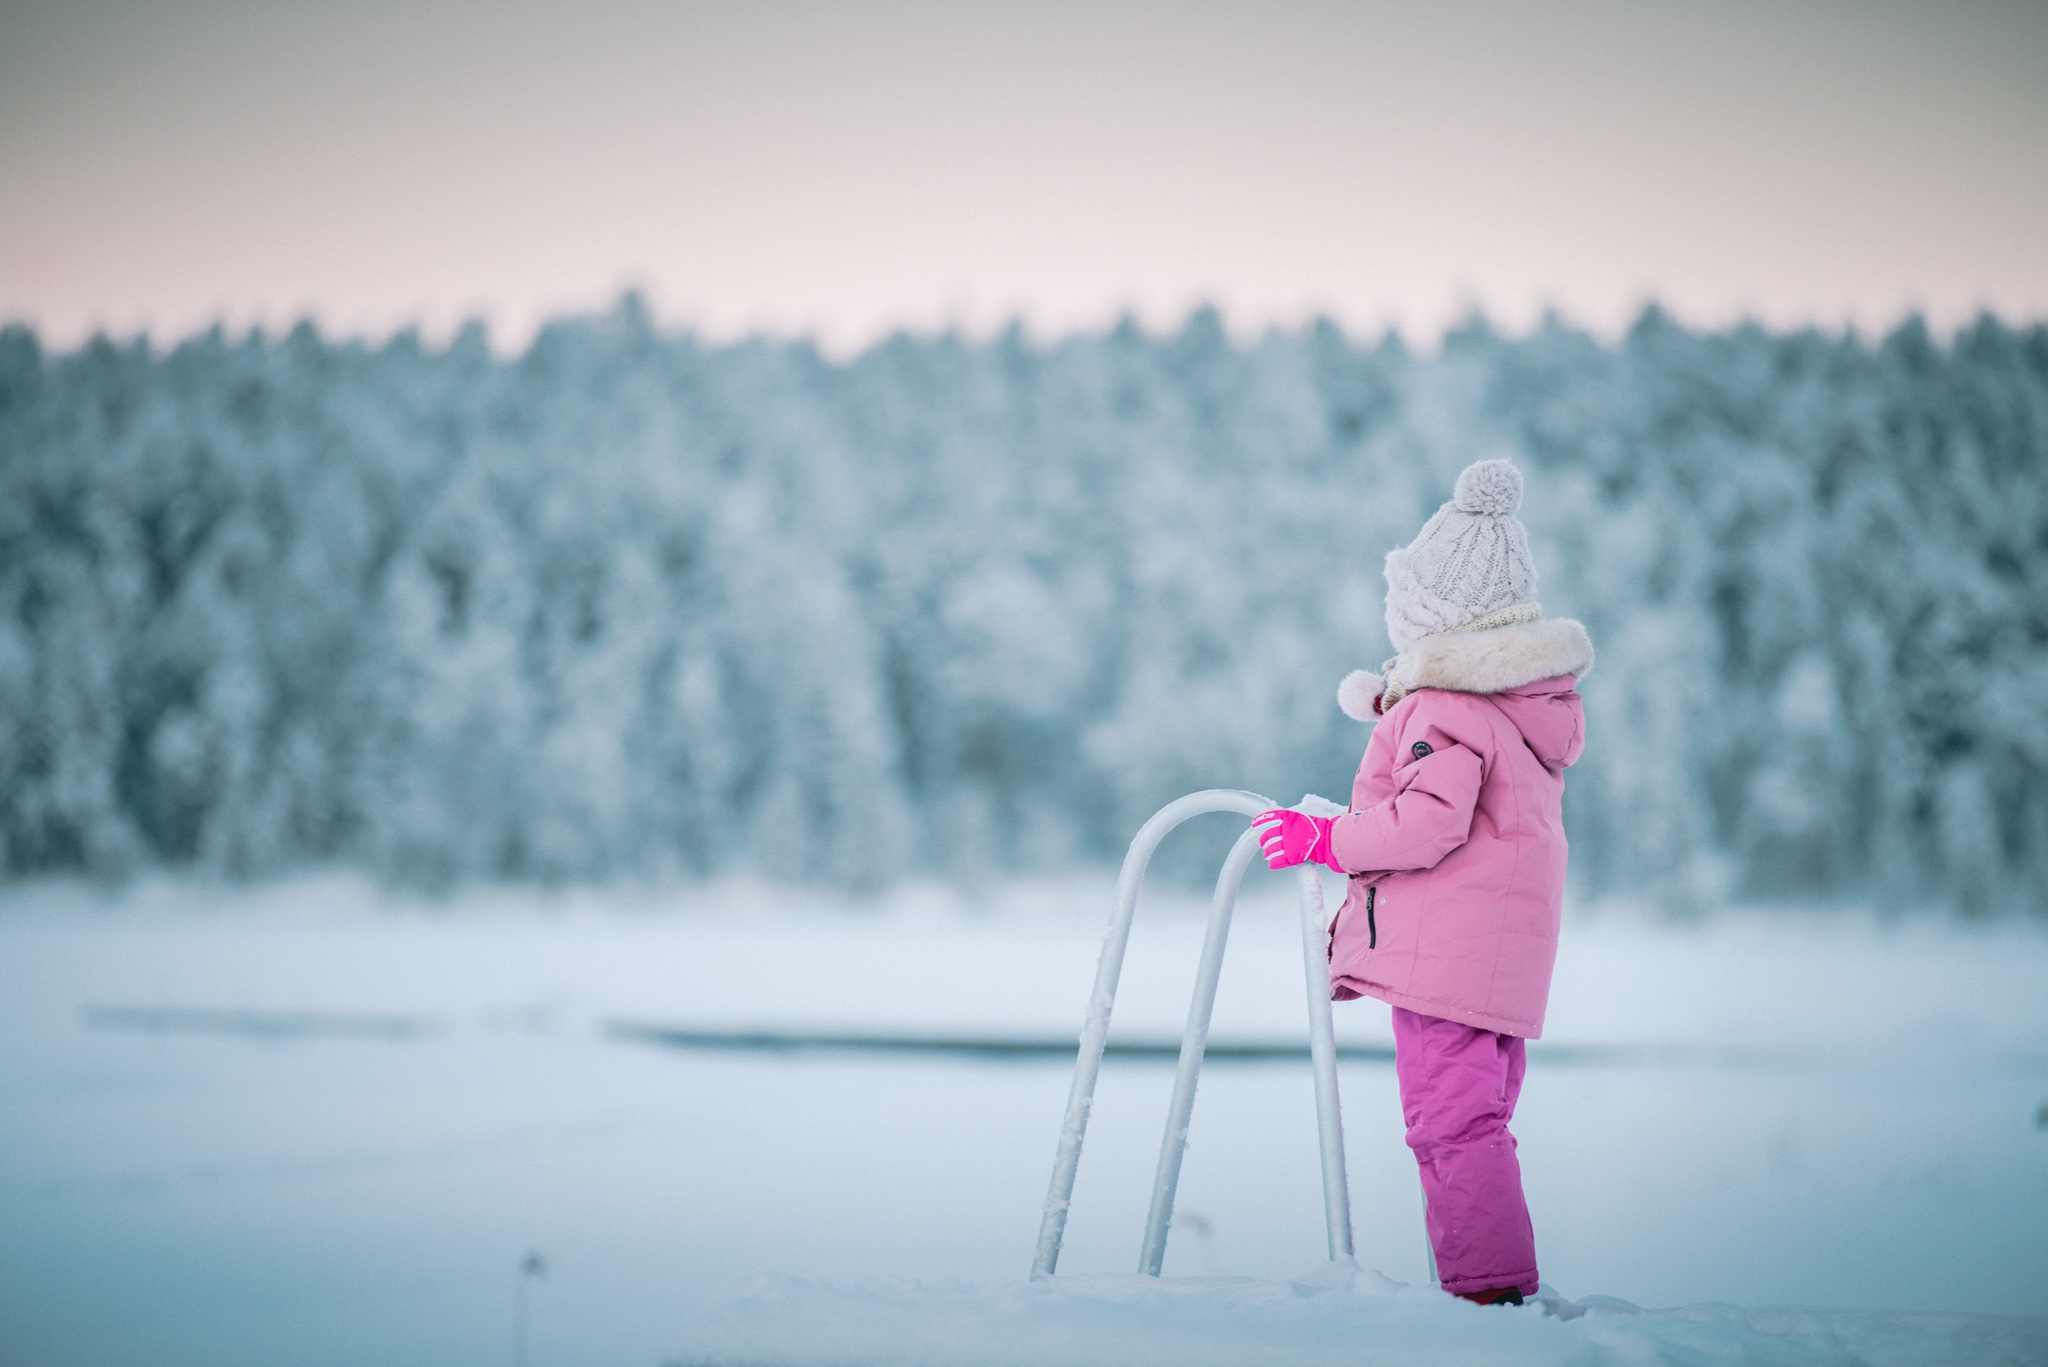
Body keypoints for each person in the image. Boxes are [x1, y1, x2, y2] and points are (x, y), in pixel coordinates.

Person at [1253, 458, 1592, 1307]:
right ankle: (1490, 1284)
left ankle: (1489, 1297)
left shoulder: (1444, 709)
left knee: (1450, 1126)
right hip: (1491, 960)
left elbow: (1426, 822)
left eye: (1404, 605)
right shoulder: (1514, 709)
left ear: (1438, 620)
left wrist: (1326, 838)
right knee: (1474, 1123)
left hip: (1449, 961)